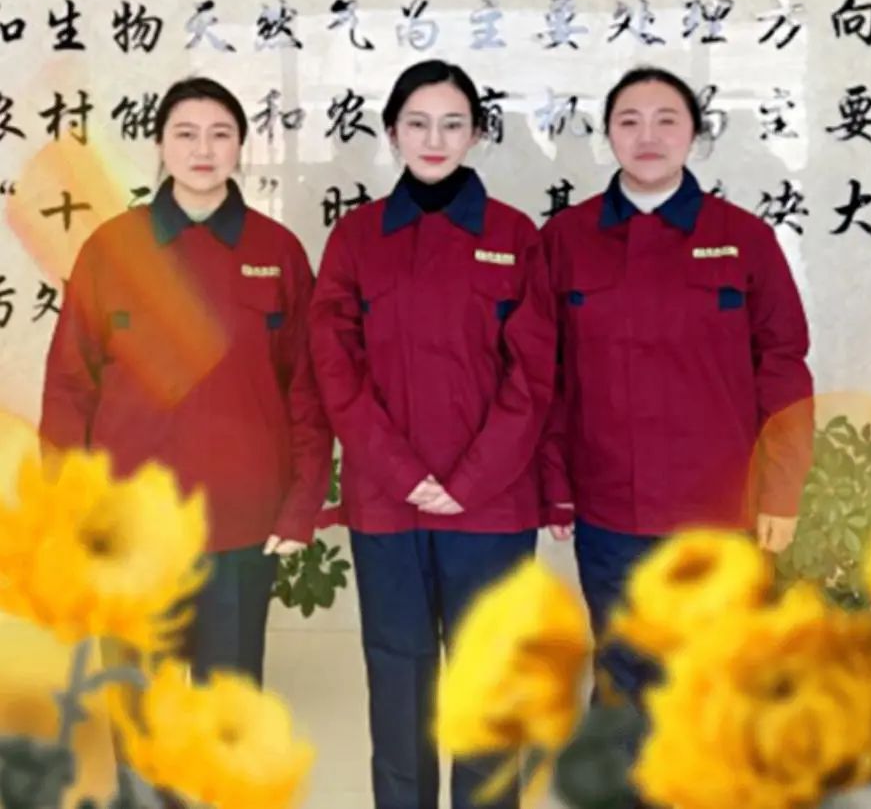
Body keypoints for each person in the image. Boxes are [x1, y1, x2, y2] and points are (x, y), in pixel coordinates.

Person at [309, 58, 557, 809]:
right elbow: (335, 366)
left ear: (477, 133)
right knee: (398, 681)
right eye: (417, 123)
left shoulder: (515, 235)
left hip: (491, 508)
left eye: (453, 123)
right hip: (388, 507)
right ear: (392, 132)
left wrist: (468, 482)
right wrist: (399, 472)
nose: (434, 138)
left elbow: (533, 374)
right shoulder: (356, 238)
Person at [40, 76, 331, 683]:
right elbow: (69, 389)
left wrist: (301, 505)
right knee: (138, 702)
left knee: (225, 706)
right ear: (160, 144)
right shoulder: (111, 248)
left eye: (220, 134)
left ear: (241, 146)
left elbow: (306, 390)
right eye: (186, 133)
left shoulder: (277, 251)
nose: (203, 149)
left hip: (242, 521)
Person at [542, 66, 814, 705]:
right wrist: (555, 487)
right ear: (608, 134)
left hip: (721, 509)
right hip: (611, 510)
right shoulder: (565, 240)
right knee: (625, 679)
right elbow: (544, 375)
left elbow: (783, 367)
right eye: (629, 121)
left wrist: (781, 492)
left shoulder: (743, 238)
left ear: (695, 133)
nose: (648, 137)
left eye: (667, 120)